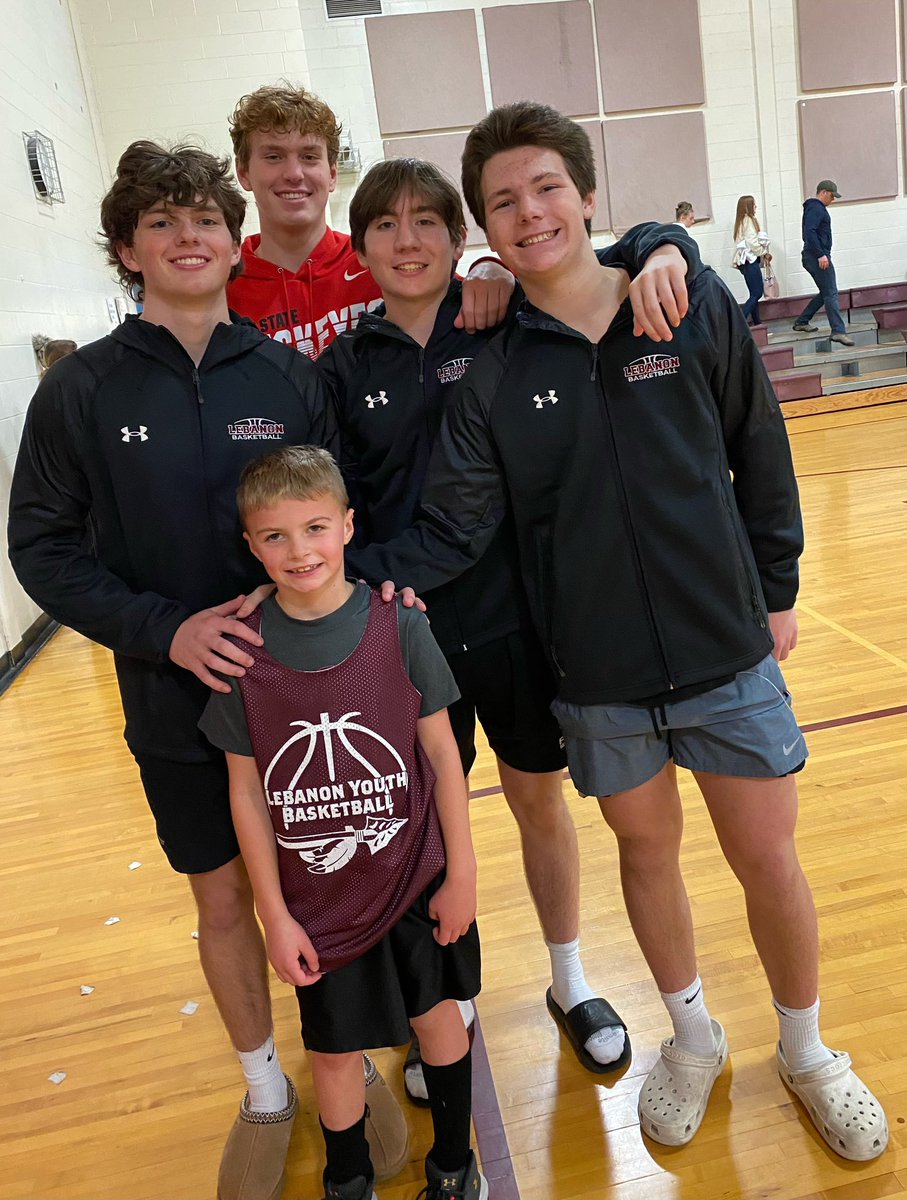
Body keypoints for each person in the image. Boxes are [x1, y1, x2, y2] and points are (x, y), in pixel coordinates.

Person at [343, 101, 889, 1163]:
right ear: (485, 233)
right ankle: (690, 1036)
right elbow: (453, 523)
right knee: (647, 858)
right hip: (593, 670)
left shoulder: (684, 306)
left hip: (724, 650)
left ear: (587, 194)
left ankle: (809, 1049)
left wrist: (773, 589)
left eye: (546, 187)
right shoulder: (491, 365)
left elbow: (759, 453)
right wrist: (326, 582)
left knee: (767, 860)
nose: (529, 212)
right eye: (502, 202)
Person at [6, 141, 398, 1200]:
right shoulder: (81, 390)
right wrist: (165, 630)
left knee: (326, 884)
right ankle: (264, 1087)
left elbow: (335, 527)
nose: (189, 236)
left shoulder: (285, 374)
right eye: (163, 222)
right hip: (176, 702)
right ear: (127, 248)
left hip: (306, 702)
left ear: (235, 240)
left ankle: (346, 1058)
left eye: (205, 220)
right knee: (223, 899)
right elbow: (41, 549)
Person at [321, 158, 702, 1093]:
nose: (406, 241)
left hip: (517, 622)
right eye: (383, 225)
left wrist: (666, 240)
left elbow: (601, 260)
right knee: (427, 830)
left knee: (538, 804)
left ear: (462, 242)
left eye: (426, 223)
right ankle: (442, 1005)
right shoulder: (340, 365)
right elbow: (331, 501)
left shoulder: (502, 319)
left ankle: (570, 982)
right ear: (359, 245)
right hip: (401, 640)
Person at [198, 444, 484, 1200]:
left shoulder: (400, 626)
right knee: (331, 1052)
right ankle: (348, 1179)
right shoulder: (244, 655)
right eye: (275, 536)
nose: (299, 551)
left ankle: (455, 1167)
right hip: (319, 907)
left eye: (315, 528)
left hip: (417, 878)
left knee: (437, 1018)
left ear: (349, 527)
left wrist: (463, 872)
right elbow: (247, 794)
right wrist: (273, 914)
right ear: (250, 545)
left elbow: (444, 758)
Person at [226, 83, 514, 355]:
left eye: (309, 157)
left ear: (333, 174)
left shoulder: (381, 258)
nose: (294, 173)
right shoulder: (225, 285)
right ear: (244, 173)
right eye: (274, 157)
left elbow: (462, 292)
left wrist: (492, 271)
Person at [793, 180, 854, 346]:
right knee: (831, 292)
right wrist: (821, 255)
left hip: (813, 256)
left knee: (825, 292)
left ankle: (802, 321)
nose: (832, 200)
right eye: (832, 196)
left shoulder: (814, 208)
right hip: (816, 257)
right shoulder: (816, 208)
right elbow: (809, 232)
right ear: (824, 192)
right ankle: (838, 331)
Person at [732, 194, 771, 326]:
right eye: (753, 204)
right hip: (750, 260)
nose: (756, 207)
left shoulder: (740, 221)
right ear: (748, 207)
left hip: (744, 262)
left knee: (753, 293)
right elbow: (752, 242)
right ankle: (740, 322)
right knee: (757, 292)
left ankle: (757, 322)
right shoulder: (748, 220)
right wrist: (764, 252)